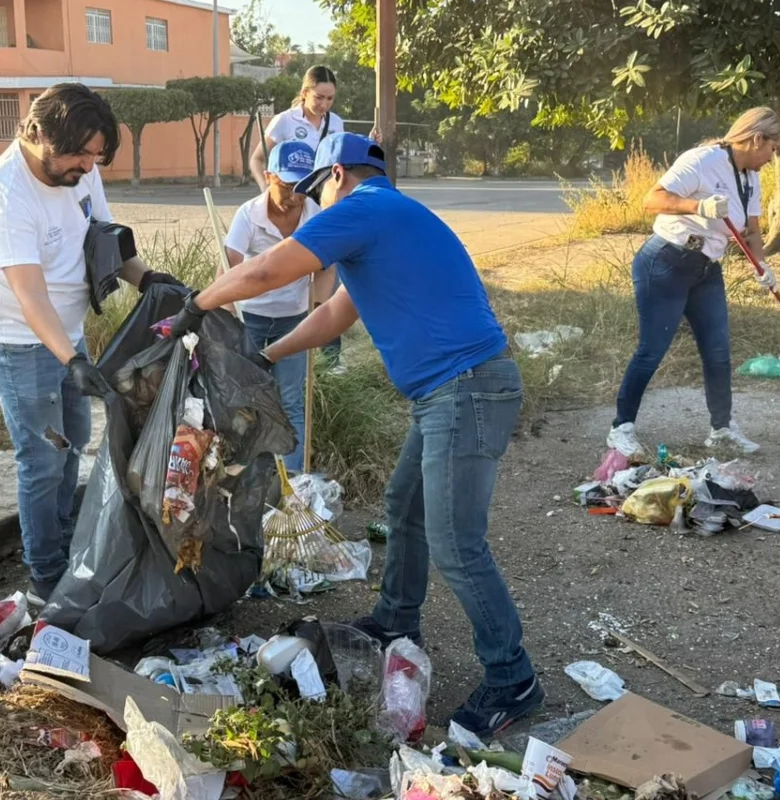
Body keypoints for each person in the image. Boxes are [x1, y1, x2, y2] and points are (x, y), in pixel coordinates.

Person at [167, 133, 543, 738]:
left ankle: (512, 676)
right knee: (405, 506)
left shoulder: (367, 208)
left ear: (338, 175)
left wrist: (198, 304)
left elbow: (266, 269)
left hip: (465, 388)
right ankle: (396, 619)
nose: (316, 202)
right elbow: (332, 314)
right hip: (449, 391)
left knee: (456, 541)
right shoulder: (390, 221)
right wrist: (266, 356)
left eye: (317, 190)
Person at [0, 83, 177, 606]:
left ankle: (63, 543)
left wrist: (147, 278)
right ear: (38, 133)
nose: (87, 166)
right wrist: (73, 360)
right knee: (43, 458)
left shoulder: (81, 169)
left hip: (67, 335)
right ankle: (44, 574)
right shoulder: (6, 194)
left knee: (74, 443)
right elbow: (29, 294)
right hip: (18, 340)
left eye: (95, 156)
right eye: (79, 154)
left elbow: (103, 235)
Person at [607, 107, 780, 460]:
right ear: (756, 139)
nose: (771, 158)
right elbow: (652, 199)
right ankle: (620, 429)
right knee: (652, 349)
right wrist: (698, 207)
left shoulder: (751, 177)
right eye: (772, 149)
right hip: (666, 261)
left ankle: (721, 429)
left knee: (717, 351)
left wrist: (762, 264)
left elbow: (752, 230)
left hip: (706, 268)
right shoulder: (702, 160)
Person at [224, 140, 334, 473]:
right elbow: (228, 270)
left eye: (302, 188)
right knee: (247, 402)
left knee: (291, 402)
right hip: (250, 319)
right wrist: (228, 320)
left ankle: (293, 482)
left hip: (294, 321)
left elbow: (325, 268)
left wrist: (317, 310)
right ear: (269, 176)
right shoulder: (249, 215)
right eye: (287, 186)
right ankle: (247, 478)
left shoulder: (316, 217)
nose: (295, 197)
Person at [250, 65, 347, 373]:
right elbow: (257, 159)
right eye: (319, 97)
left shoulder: (336, 124)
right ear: (305, 92)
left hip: (323, 207)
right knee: (290, 273)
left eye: (330, 99)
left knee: (327, 275)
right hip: (289, 204)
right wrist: (267, 191)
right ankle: (280, 349)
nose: (324, 104)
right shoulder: (284, 121)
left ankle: (330, 359)